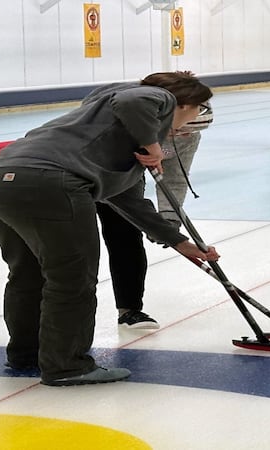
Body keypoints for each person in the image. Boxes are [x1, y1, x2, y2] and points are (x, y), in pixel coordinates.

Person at [0, 71, 219, 386]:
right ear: (186, 103)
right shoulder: (157, 98)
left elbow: (131, 203)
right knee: (72, 278)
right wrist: (154, 145)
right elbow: (133, 98)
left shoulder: (111, 134)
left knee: (28, 274)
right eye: (198, 110)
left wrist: (180, 242)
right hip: (48, 184)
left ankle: (28, 354)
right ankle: (68, 365)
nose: (188, 125)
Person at [96, 98, 213, 329]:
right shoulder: (125, 131)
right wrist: (162, 231)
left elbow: (175, 179)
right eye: (177, 131)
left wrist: (168, 220)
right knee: (80, 250)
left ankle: (129, 310)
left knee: (126, 235)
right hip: (91, 175)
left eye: (188, 132)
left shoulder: (188, 136)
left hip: (127, 180)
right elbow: (124, 197)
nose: (182, 136)